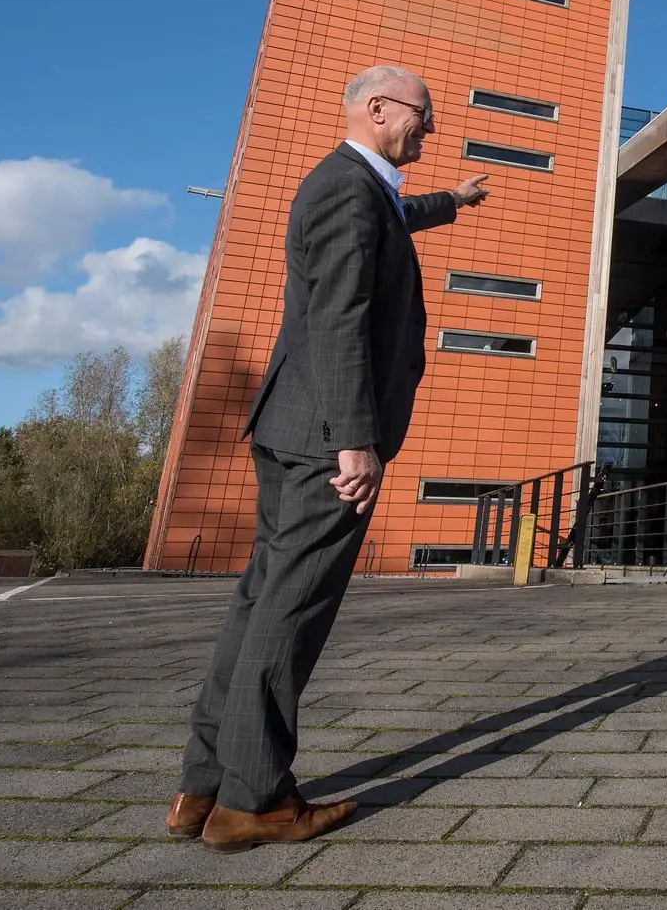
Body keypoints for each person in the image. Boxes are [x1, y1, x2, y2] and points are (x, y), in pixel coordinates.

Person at [168, 65, 489, 852]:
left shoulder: (350, 186)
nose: (432, 129)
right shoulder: (351, 191)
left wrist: (453, 200)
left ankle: (202, 785)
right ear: (379, 110)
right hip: (325, 440)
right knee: (291, 611)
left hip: (291, 426)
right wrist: (357, 438)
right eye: (425, 115)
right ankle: (255, 802)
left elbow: (392, 219)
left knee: (259, 603)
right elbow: (341, 318)